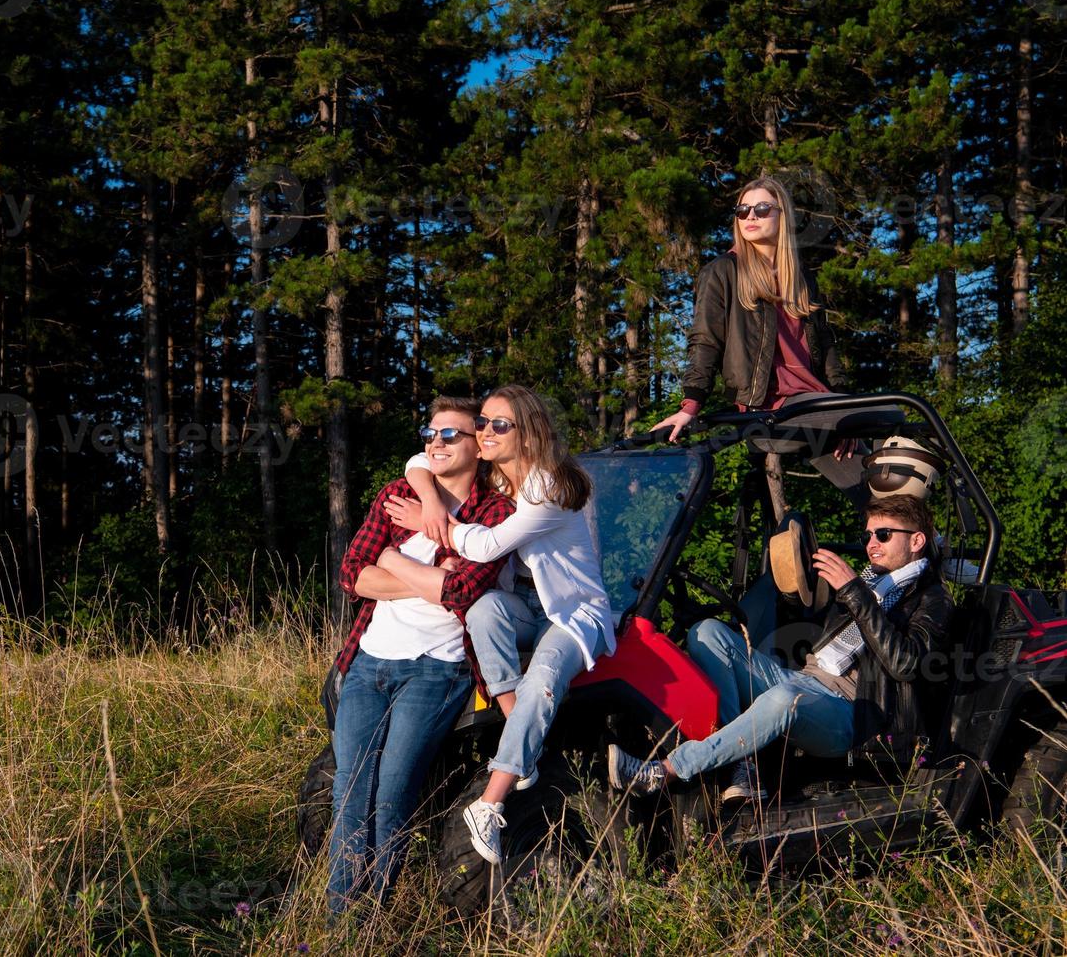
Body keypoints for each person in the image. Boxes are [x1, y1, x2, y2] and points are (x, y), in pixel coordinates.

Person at [388, 384, 612, 864]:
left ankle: (490, 801)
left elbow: (487, 547)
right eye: (483, 423)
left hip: (571, 610)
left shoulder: (548, 486)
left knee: (547, 674)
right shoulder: (498, 481)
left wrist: (439, 523)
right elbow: (417, 459)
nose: (485, 432)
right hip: (524, 605)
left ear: (527, 434)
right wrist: (429, 500)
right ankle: (521, 732)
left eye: (498, 425)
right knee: (484, 607)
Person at [607, 494, 953, 801]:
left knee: (785, 697)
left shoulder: (932, 599)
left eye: (883, 535)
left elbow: (905, 663)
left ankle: (663, 772)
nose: (871, 544)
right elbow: (817, 617)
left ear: (917, 540)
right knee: (708, 632)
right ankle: (742, 767)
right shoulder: (870, 582)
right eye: (868, 536)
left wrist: (855, 593)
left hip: (853, 714)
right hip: (808, 678)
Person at [326, 396, 516, 917]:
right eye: (429, 432)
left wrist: (388, 564)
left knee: (393, 788)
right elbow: (351, 575)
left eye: (449, 434)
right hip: (368, 661)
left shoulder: (495, 514)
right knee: (350, 785)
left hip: (438, 667)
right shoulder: (396, 495)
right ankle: (340, 919)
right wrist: (425, 573)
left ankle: (375, 914)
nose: (435, 441)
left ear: (478, 446)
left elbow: (463, 593)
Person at [651, 175, 894, 504]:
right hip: (770, 406)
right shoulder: (723, 271)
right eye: (743, 210)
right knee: (885, 414)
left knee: (880, 492)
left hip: (816, 404)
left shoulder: (801, 278)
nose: (750, 216)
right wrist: (690, 405)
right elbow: (706, 340)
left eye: (762, 209)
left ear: (783, 215)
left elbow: (828, 349)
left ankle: (921, 543)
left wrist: (842, 404)